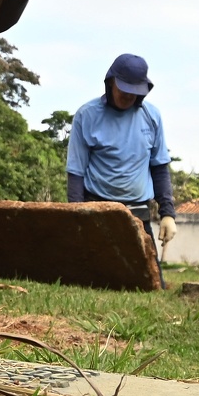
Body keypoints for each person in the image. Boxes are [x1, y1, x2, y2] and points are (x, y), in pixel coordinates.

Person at [65, 53, 177, 285]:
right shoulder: (87, 115)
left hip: (138, 212)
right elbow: (76, 171)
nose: (128, 95)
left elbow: (159, 168)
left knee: (152, 284)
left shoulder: (151, 116)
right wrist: (75, 216)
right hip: (97, 209)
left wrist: (167, 214)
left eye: (135, 90)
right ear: (110, 83)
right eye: (124, 88)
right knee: (89, 280)